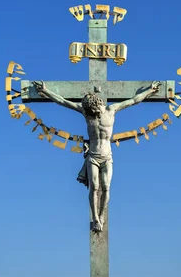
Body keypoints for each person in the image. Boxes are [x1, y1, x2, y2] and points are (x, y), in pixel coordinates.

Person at [33, 80, 161, 231]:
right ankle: (94, 218)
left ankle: (101, 216)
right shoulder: (87, 114)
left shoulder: (112, 110)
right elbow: (63, 101)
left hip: (107, 156)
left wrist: (150, 91)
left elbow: (133, 100)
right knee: (94, 186)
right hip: (93, 155)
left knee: (106, 187)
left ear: (97, 105)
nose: (93, 113)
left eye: (93, 110)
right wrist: (46, 91)